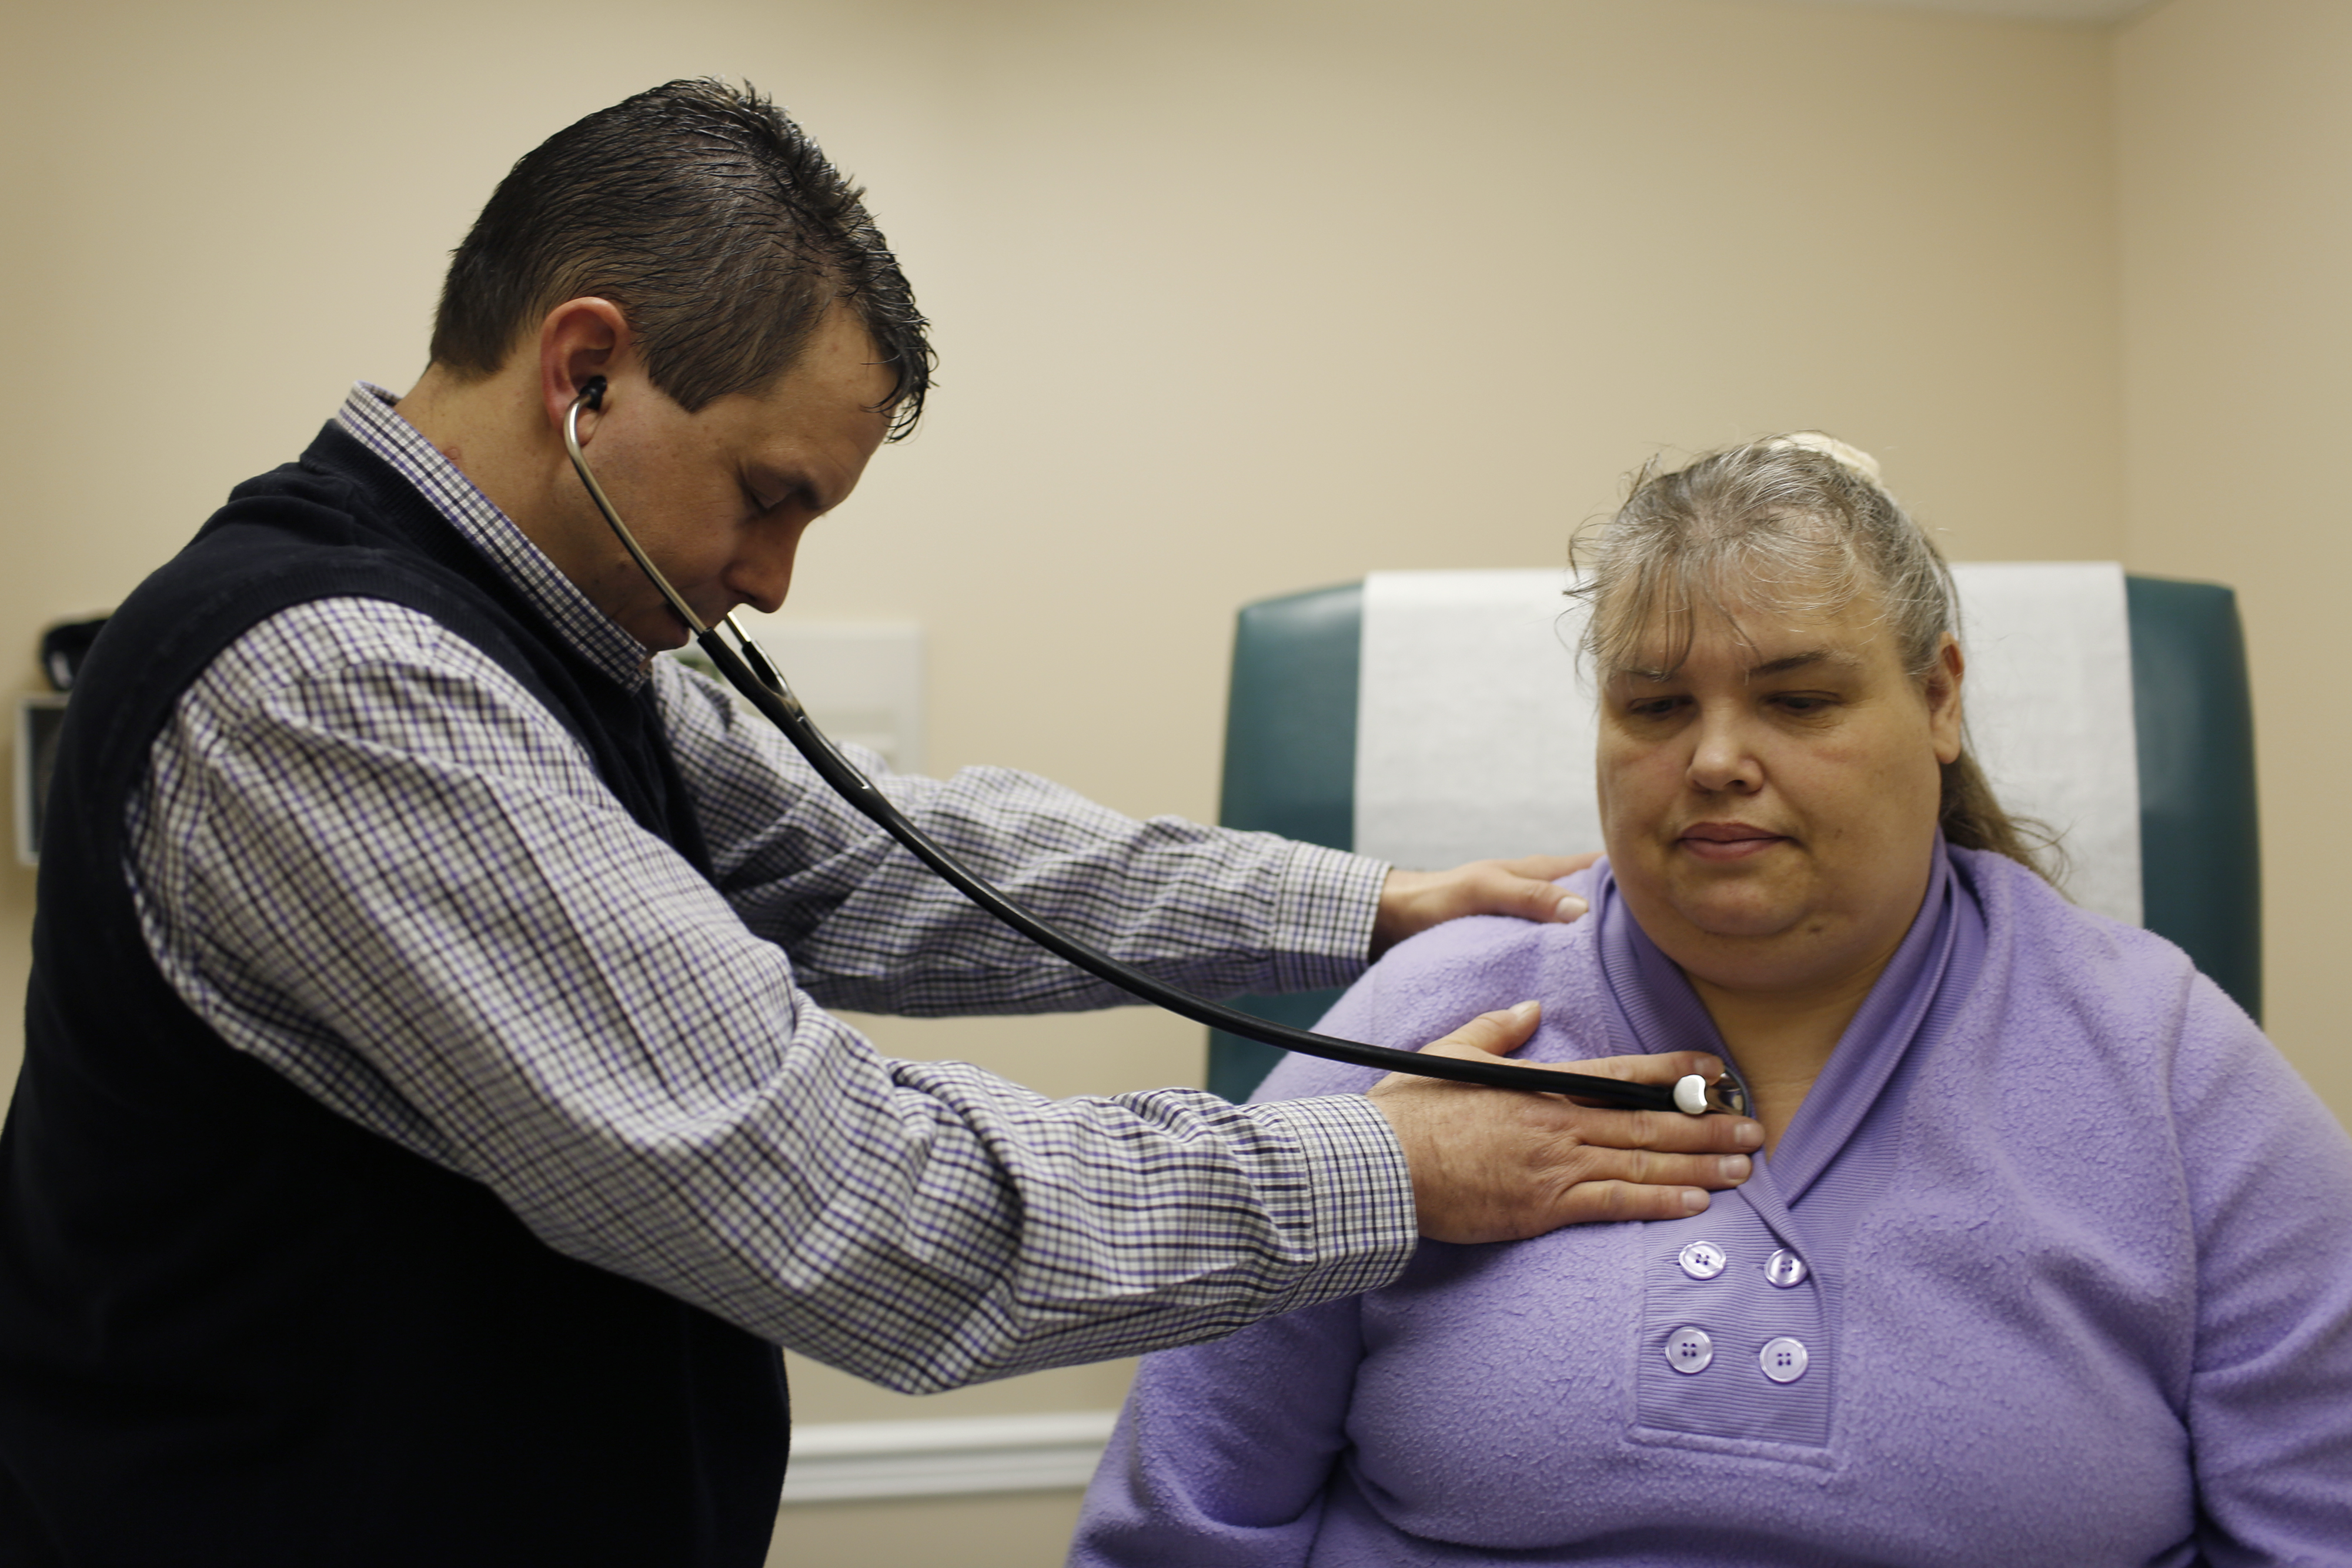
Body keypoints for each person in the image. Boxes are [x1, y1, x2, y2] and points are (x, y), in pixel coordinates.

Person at [0, 82, 1763, 1567]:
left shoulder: (533, 632)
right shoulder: (340, 692)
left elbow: (881, 863)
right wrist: (1402, 1164)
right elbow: (863, 1203)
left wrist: (1365, 904)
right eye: (768, 498)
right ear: (584, 372)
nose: (768, 578)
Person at [1071, 435, 2352, 1566]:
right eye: (1654, 705)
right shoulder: (1427, 1022)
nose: (1718, 757)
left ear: (1937, 696)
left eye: (1798, 699)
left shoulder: (2164, 1062)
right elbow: (1179, 1521)